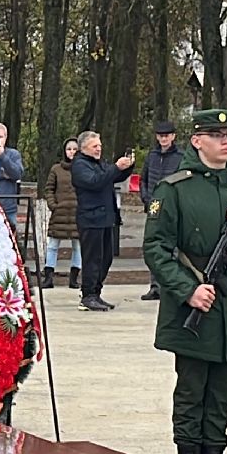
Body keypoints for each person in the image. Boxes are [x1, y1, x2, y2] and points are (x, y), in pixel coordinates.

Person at [141, 108, 227, 454]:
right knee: (192, 392)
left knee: (222, 395)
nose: (225, 140)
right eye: (216, 134)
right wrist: (188, 290)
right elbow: (156, 249)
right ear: (197, 141)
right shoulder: (174, 189)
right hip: (195, 305)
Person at [71, 130, 134, 311]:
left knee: (106, 259)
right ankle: (88, 295)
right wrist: (115, 167)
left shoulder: (99, 163)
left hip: (106, 218)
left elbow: (112, 177)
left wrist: (127, 167)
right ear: (83, 148)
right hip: (90, 218)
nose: (99, 149)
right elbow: (95, 182)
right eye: (95, 146)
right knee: (93, 259)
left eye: (100, 145)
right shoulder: (80, 165)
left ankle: (96, 293)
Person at [139, 120, 183, 300]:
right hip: (153, 205)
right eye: (160, 136)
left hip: (173, 206)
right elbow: (143, 179)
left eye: (167, 135)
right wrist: (146, 197)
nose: (163, 139)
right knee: (154, 245)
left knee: (173, 247)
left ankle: (170, 286)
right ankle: (155, 286)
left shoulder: (181, 156)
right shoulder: (152, 156)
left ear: (173, 136)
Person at [40, 138, 80, 290]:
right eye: (69, 149)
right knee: (53, 246)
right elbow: (49, 189)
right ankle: (48, 277)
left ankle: (74, 279)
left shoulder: (83, 169)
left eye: (75, 149)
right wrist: (53, 205)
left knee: (78, 246)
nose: (71, 152)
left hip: (77, 213)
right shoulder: (56, 169)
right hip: (60, 213)